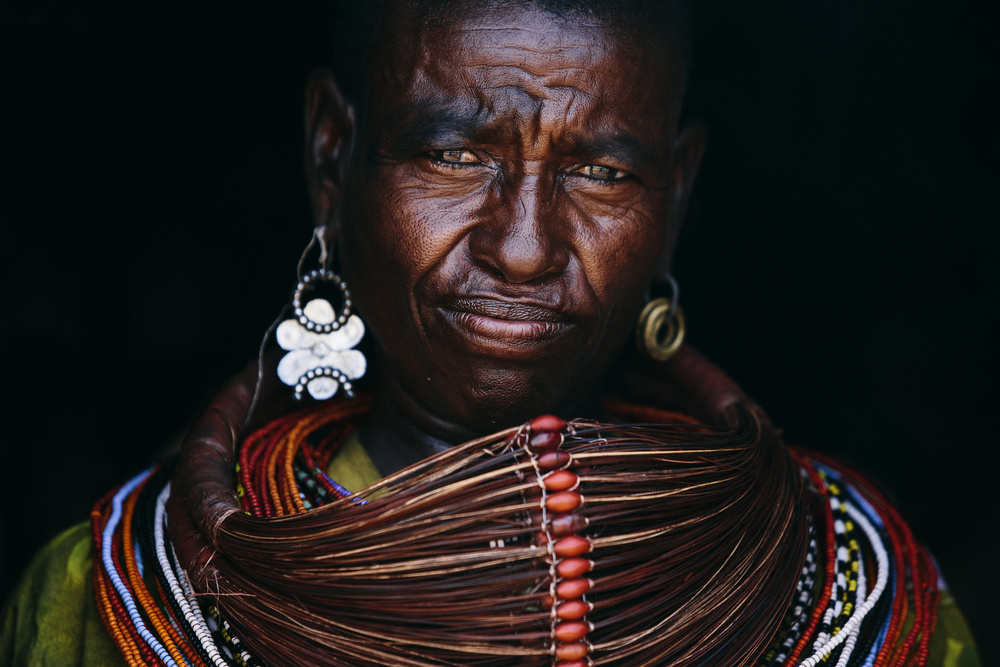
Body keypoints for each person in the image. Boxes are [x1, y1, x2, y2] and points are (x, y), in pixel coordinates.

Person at [0, 1, 980, 665]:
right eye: (455, 152)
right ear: (333, 160)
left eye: (600, 171)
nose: (522, 248)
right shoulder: (110, 596)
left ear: (675, 193)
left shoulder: (848, 584)